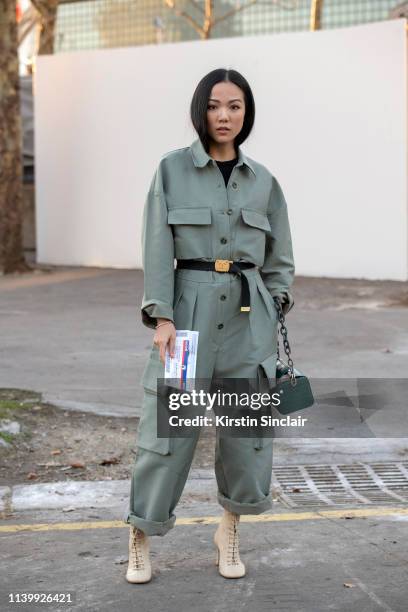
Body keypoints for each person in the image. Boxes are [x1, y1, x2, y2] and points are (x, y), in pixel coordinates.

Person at [124, 67, 295, 583]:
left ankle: (229, 529)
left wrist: (275, 303)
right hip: (189, 316)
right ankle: (140, 535)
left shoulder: (263, 180)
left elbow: (279, 255)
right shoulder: (172, 170)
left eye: (235, 106)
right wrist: (162, 315)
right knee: (167, 433)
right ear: (201, 110)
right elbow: (157, 244)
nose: (225, 115)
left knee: (247, 435)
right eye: (216, 105)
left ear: (247, 113)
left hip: (249, 319)